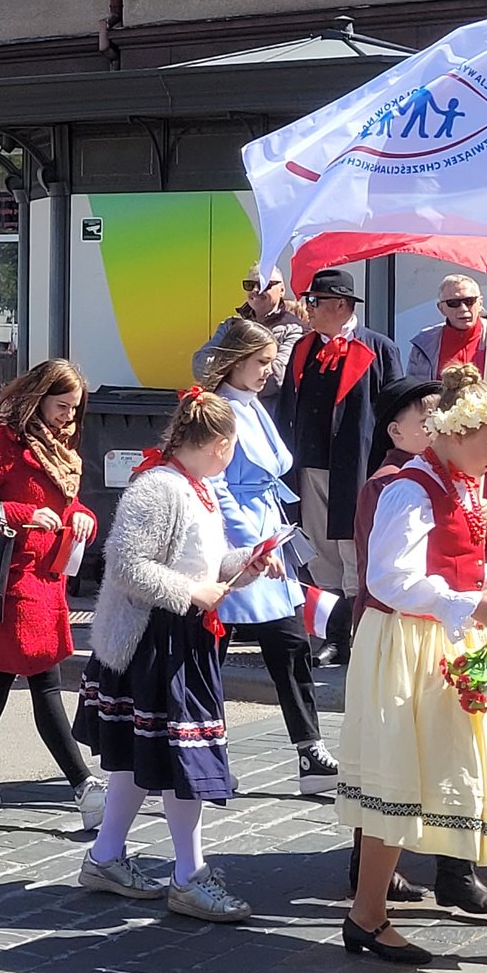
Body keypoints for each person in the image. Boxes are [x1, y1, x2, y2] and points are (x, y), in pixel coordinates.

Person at [338, 364, 487, 965]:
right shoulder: (413, 487)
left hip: (455, 637)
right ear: (457, 433)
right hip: (412, 646)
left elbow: (455, 562)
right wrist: (470, 602)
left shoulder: (460, 481)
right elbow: (390, 577)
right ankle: (366, 915)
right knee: (407, 775)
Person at [74, 388, 269, 923]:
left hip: (181, 635)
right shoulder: (160, 487)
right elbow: (126, 565)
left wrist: (246, 563)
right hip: (156, 642)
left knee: (147, 758)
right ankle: (189, 876)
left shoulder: (196, 486)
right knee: (187, 759)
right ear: (222, 444)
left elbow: (202, 563)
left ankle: (106, 857)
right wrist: (192, 593)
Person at [0, 360, 102, 824]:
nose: (68, 418)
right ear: (38, 397)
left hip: (49, 575)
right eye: (61, 407)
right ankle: (83, 784)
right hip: (11, 577)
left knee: (0, 674)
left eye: (75, 410)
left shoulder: (59, 446)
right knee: (43, 676)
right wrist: (18, 512)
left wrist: (82, 515)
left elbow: (65, 502)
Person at [203, 319, 337, 795]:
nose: (267, 371)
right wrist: (247, 551)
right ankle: (204, 752)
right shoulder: (218, 408)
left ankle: (309, 749)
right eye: (260, 362)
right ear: (236, 360)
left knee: (290, 645)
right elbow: (216, 485)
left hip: (269, 535)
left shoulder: (251, 403)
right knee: (210, 654)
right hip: (235, 544)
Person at [275, 266, 403, 660]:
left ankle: (357, 633)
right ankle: (334, 635)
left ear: (341, 305)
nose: (307, 308)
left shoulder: (379, 348)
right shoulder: (302, 347)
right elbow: (286, 405)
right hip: (310, 463)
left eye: (315, 301)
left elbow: (395, 410)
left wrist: (389, 465)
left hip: (358, 466)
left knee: (354, 548)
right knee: (320, 547)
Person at [192, 267, 303, 401]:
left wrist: (228, 370)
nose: (256, 290)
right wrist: (246, 373)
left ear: (282, 290)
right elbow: (199, 363)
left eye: (263, 284)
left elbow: (277, 378)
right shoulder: (230, 325)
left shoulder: (294, 329)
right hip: (227, 408)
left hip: (271, 415)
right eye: (249, 285)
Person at [408, 275, 487, 379]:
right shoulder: (424, 343)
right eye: (453, 303)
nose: (463, 309)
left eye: (469, 301)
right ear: (441, 308)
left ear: (480, 302)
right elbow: (413, 389)